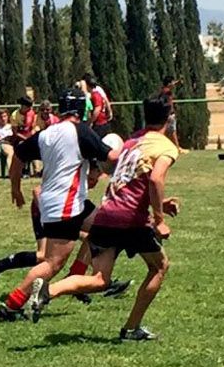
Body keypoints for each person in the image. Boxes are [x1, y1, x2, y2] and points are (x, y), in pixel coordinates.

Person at [34, 95, 180, 340]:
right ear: (169, 118)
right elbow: (155, 179)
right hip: (131, 219)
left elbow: (129, 180)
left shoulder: (133, 141)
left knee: (100, 279)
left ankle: (48, 290)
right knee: (159, 267)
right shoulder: (165, 147)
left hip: (107, 212)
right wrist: (159, 219)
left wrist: (161, 203)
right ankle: (131, 329)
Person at [0, 89, 120, 318]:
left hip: (61, 200)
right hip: (66, 203)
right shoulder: (80, 131)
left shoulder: (46, 134)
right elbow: (110, 157)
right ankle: (11, 305)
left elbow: (19, 156)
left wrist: (15, 188)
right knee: (51, 263)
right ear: (83, 109)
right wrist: (125, 152)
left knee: (105, 228)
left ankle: (78, 278)